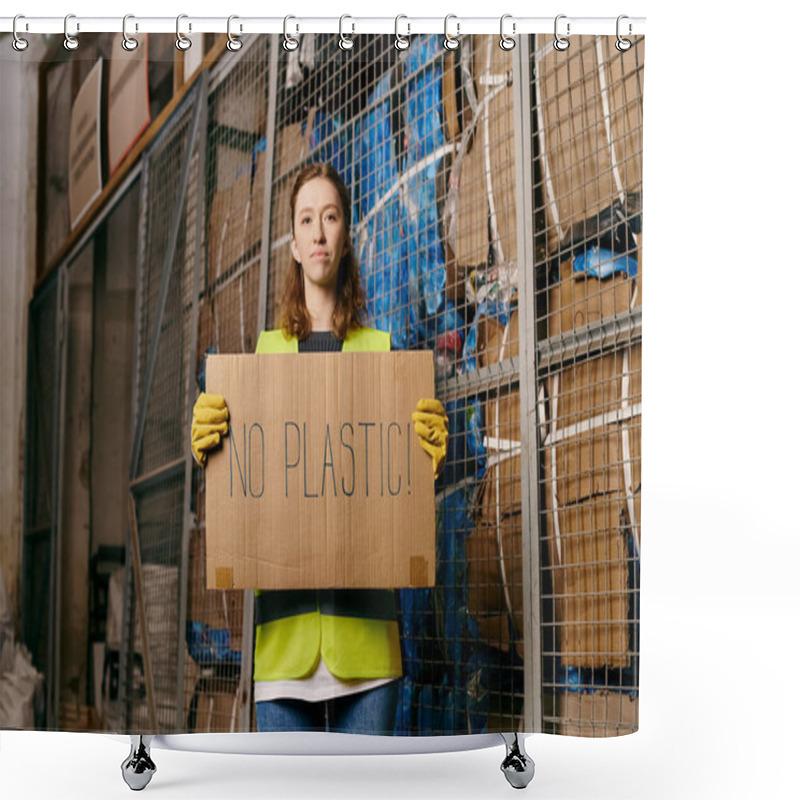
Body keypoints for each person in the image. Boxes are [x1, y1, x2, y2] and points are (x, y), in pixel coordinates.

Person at [190, 162, 448, 735]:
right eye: (307, 219)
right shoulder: (260, 362)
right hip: (284, 649)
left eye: (330, 217)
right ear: (292, 242)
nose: (319, 232)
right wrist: (208, 445)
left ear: (346, 233)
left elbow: (398, 492)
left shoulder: (383, 356)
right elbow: (243, 484)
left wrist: (426, 454)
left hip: (368, 650)